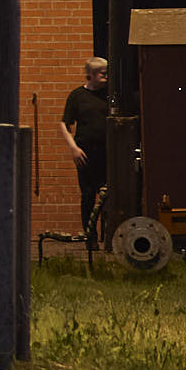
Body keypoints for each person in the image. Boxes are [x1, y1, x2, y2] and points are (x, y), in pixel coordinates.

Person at [61, 56, 120, 249]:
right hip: (85, 153)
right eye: (102, 73)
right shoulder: (77, 96)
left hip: (107, 153)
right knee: (87, 195)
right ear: (91, 75)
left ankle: (109, 238)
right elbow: (65, 123)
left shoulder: (109, 96)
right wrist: (73, 148)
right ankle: (90, 238)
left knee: (108, 195)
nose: (106, 76)